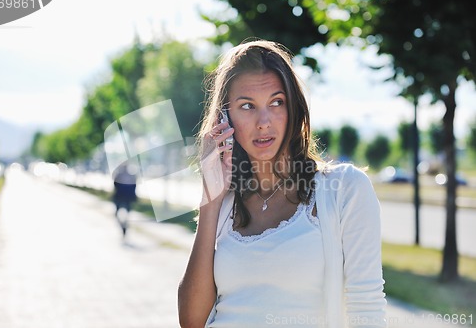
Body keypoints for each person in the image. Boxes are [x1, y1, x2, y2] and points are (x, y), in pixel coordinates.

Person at [178, 39, 386, 328]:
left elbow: (368, 309)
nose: (264, 122)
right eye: (247, 106)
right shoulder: (224, 203)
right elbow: (191, 321)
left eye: (276, 102)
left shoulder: (345, 190)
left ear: (294, 110)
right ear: (224, 120)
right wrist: (210, 199)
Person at [112, 161, 137, 237]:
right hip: (123, 197)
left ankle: (124, 226)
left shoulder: (120, 176)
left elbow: (115, 185)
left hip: (122, 197)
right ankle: (123, 225)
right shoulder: (129, 176)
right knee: (120, 214)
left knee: (121, 214)